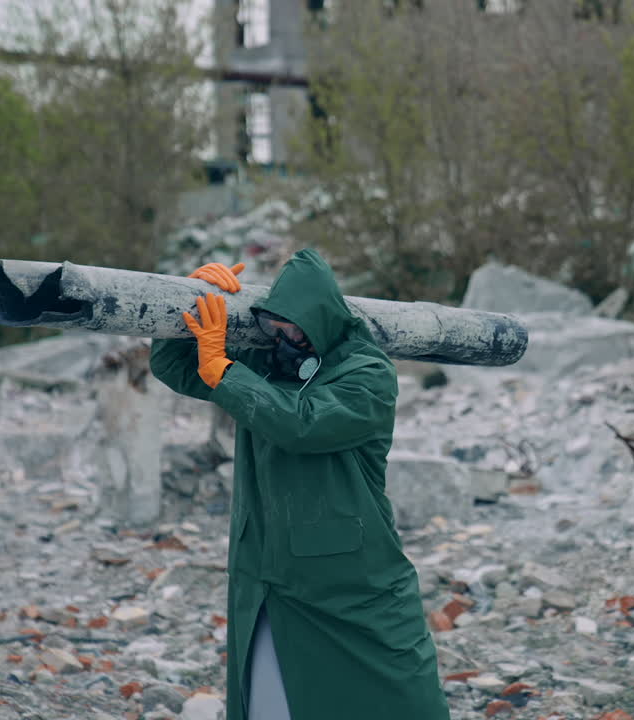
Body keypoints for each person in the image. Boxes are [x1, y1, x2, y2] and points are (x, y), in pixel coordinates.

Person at [149, 248, 450, 720]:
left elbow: (301, 424)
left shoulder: (369, 374)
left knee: (399, 692)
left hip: (351, 580)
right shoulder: (264, 363)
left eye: (296, 326)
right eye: (276, 326)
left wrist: (224, 371)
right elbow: (176, 367)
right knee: (273, 700)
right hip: (269, 573)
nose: (286, 337)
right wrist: (192, 296)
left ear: (324, 317)